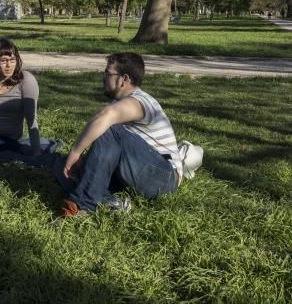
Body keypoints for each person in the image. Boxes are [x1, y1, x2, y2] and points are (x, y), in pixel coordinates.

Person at [57, 52, 201, 216]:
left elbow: (107, 116)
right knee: (66, 169)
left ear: (124, 79)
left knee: (110, 128)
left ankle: (83, 207)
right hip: (137, 173)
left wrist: (75, 152)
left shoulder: (141, 101)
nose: (103, 78)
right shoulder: (120, 104)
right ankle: (112, 203)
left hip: (165, 177)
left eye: (107, 73)